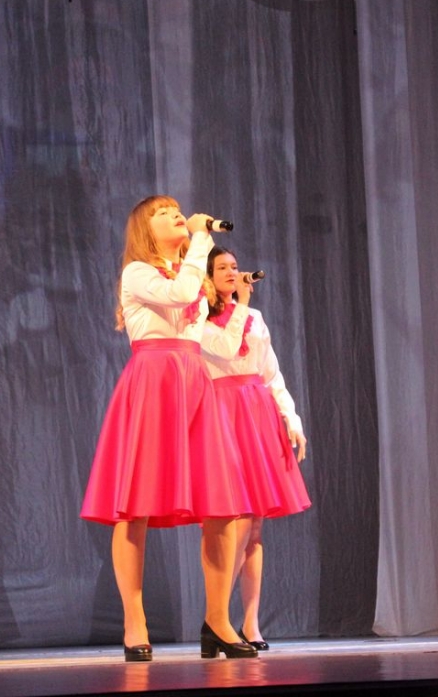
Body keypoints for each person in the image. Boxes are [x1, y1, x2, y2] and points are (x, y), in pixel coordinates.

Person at [80, 195, 257, 661]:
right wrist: (200, 239)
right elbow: (178, 294)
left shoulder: (192, 276)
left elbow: (209, 336)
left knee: (221, 505)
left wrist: (234, 301)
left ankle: (218, 620)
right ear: (146, 229)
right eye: (163, 213)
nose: (176, 215)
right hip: (153, 382)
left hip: (194, 382)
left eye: (177, 209)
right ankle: (134, 621)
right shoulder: (138, 272)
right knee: (133, 507)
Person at [200, 246, 311, 650]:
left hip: (257, 411)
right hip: (223, 413)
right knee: (237, 519)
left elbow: (270, 372)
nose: (232, 273)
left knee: (255, 526)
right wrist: (242, 306)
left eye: (234, 266)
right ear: (207, 276)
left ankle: (250, 623)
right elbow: (226, 349)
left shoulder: (254, 317)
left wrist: (291, 418)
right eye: (222, 268)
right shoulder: (197, 318)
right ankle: (216, 618)